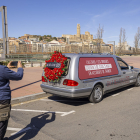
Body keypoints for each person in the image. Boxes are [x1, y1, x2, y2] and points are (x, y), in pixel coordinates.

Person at [0, 61, 24, 140]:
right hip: (2, 99)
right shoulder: (2, 69)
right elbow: (19, 76)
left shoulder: (3, 69)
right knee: (2, 123)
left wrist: (7, 68)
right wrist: (20, 67)